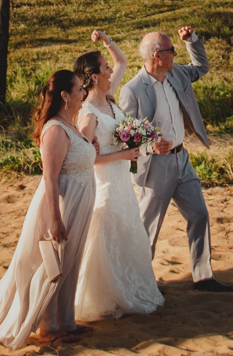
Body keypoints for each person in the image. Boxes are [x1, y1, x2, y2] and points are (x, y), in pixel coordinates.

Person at [0, 71, 96, 348]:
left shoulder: (69, 125)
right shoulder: (56, 129)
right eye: (80, 89)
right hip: (62, 204)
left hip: (80, 203)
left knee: (71, 263)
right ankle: (49, 328)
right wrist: (55, 219)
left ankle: (66, 320)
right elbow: (50, 178)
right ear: (65, 95)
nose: (84, 93)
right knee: (51, 267)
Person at [119, 27, 233, 293]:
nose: (175, 54)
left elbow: (201, 67)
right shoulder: (133, 89)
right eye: (172, 50)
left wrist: (191, 41)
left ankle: (203, 276)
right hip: (155, 167)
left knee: (199, 214)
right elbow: (126, 134)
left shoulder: (177, 72)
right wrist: (150, 145)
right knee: (149, 226)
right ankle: (141, 282)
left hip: (182, 159)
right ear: (158, 55)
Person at [73, 32, 165, 321]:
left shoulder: (110, 100)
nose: (112, 70)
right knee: (106, 234)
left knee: (126, 229)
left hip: (122, 180)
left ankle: (128, 286)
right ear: (94, 77)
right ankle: (105, 294)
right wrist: (122, 155)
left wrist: (107, 41)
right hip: (106, 184)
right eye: (105, 67)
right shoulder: (88, 115)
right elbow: (85, 160)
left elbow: (122, 60)